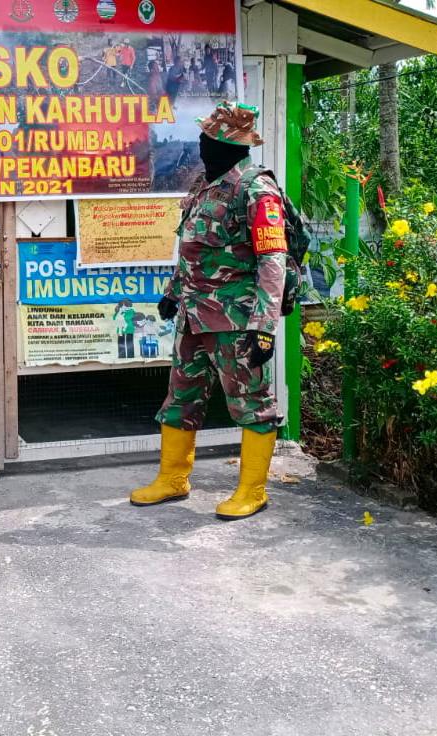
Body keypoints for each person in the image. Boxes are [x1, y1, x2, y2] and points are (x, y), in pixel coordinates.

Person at [129, 102, 287, 521]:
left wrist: (264, 327)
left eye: (207, 137)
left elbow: (273, 262)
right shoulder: (205, 185)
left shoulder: (257, 190)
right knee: (180, 397)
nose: (200, 143)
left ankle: (253, 490)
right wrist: (172, 291)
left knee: (251, 402)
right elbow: (191, 249)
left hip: (236, 321)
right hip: (194, 315)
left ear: (225, 144)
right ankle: (173, 478)